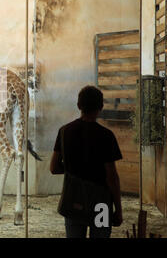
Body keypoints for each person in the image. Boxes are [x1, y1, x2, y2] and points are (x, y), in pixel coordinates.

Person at [50, 86, 123, 238]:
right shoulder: (106, 136)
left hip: (73, 200)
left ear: (78, 106)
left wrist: (73, 166)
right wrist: (118, 210)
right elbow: (112, 178)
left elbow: (54, 168)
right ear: (101, 107)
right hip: (101, 204)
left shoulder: (64, 131)